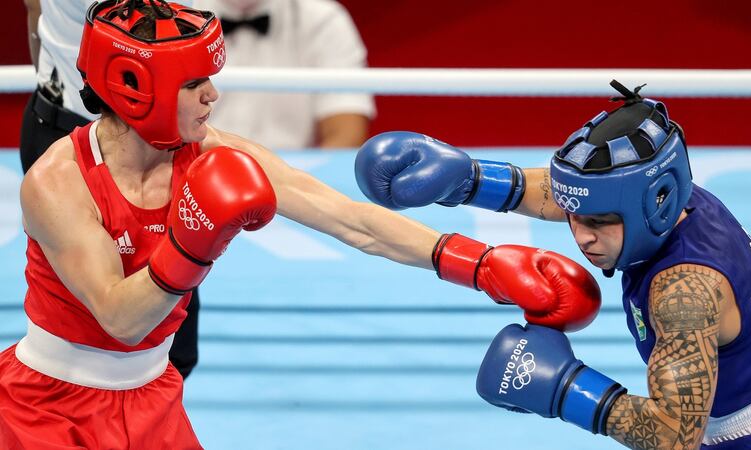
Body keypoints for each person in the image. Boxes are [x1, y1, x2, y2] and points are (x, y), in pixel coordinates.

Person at [0, 1, 604, 447]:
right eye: (193, 83)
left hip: (152, 400)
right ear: (137, 91)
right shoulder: (57, 182)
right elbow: (120, 318)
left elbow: (350, 220)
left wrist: (480, 263)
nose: (213, 96)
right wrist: (195, 241)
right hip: (48, 410)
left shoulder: (212, 153)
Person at [354, 81, 751, 449]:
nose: (581, 236)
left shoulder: (683, 293)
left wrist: (568, 390)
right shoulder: (676, 198)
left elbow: (673, 436)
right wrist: (469, 180)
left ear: (655, 204)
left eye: (599, 223)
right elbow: (566, 194)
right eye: (576, 218)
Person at [20, 0, 202, 380]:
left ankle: (148, 420)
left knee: (170, 330)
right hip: (70, 129)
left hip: (158, 134)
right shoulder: (58, 172)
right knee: (85, 317)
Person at [193, 0, 374, 149]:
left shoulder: (324, 19)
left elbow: (346, 134)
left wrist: (303, 185)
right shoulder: (174, 17)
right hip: (190, 175)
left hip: (294, 176)